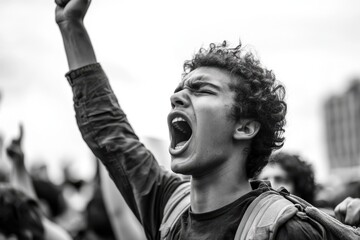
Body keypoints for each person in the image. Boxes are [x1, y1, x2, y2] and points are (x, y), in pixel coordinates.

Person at [54, 0, 324, 239]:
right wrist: (71, 25)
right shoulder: (169, 205)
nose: (177, 97)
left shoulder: (285, 230)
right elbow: (111, 134)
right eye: (180, 90)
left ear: (245, 126)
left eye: (202, 90)